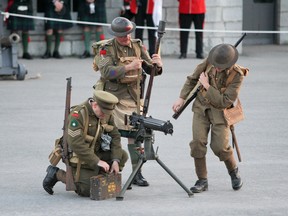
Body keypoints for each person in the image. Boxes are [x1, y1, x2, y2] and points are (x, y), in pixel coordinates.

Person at [93, 17, 163, 188]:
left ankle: (137, 172)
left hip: (133, 96)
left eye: (129, 34)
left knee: (135, 135)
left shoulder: (138, 45)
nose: (127, 38)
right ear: (116, 35)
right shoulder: (105, 49)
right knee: (108, 135)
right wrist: (128, 67)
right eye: (123, 36)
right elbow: (107, 72)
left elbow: (150, 69)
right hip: (112, 98)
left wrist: (157, 65)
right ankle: (110, 171)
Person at [172, 44, 248, 193]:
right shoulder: (210, 61)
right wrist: (181, 98)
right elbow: (192, 79)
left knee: (220, 147)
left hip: (220, 112)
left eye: (220, 67)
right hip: (201, 107)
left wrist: (207, 85)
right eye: (216, 65)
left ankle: (233, 171)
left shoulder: (237, 75)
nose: (217, 68)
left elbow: (224, 101)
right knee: (197, 144)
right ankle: (202, 180)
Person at [43, 90, 128, 197]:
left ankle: (98, 176)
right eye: (103, 113)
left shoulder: (105, 114)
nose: (105, 116)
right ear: (95, 105)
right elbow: (76, 144)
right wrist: (97, 161)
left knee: (122, 155)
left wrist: (115, 160)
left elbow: (115, 135)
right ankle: (56, 174)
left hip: (97, 151)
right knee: (87, 190)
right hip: (80, 156)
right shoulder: (78, 115)